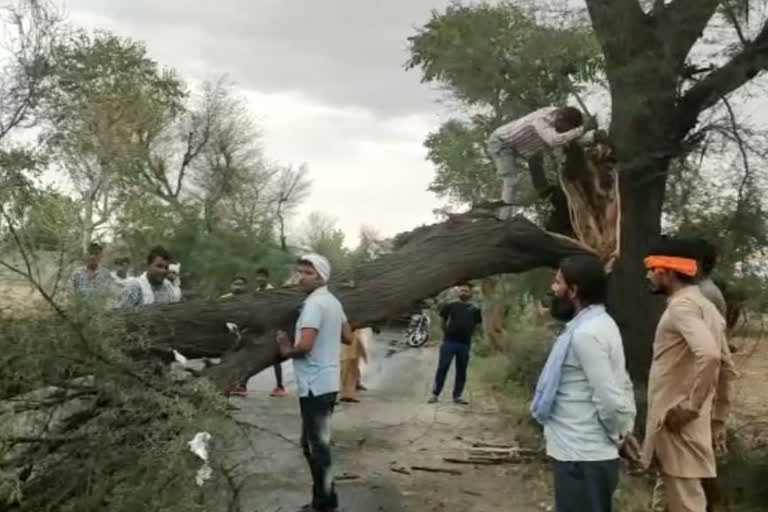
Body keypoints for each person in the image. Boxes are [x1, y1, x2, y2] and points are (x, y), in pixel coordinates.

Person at [531, 255, 637, 512]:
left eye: (558, 283)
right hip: (580, 454)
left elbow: (609, 398)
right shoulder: (600, 324)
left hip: (582, 456)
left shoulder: (586, 334)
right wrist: (624, 430)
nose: (553, 289)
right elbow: (622, 382)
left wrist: (620, 435)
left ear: (574, 290)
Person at [642, 238, 735, 512]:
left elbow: (711, 356)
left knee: (686, 502)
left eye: (652, 269)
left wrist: (690, 408)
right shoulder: (707, 307)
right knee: (673, 497)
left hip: (676, 423)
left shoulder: (681, 307)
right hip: (685, 425)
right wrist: (718, 418)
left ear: (668, 272)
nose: (647, 275)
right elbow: (727, 369)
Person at [276, 254, 353, 512]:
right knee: (314, 444)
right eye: (300, 272)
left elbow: (305, 346)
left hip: (314, 385)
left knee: (316, 447)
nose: (301, 277)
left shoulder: (314, 305)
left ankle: (325, 503)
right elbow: (348, 336)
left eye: (307, 273)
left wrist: (286, 347)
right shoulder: (333, 302)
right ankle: (324, 498)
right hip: (328, 382)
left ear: (320, 276)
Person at [486, 106, 598, 217]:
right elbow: (554, 140)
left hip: (527, 147)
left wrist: (593, 136)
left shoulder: (559, 116)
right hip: (503, 143)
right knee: (511, 180)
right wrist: (583, 129)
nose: (564, 131)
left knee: (537, 160)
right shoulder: (541, 120)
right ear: (560, 119)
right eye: (565, 128)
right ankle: (504, 218)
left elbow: (571, 137)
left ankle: (544, 192)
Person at [428, 283, 482, 405]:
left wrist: (471, 335)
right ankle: (435, 394)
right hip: (449, 342)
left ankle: (457, 396)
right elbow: (443, 320)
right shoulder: (451, 306)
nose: (464, 293)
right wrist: (446, 333)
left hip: (465, 344)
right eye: (462, 290)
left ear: (470, 294)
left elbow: (477, 325)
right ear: (458, 293)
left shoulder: (475, 309)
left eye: (466, 291)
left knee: (461, 370)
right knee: (443, 368)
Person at [340, 328, 369, 403]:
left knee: (348, 373)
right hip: (350, 354)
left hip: (348, 353)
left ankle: (353, 387)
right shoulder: (353, 328)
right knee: (349, 374)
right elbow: (358, 340)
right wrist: (364, 354)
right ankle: (348, 395)